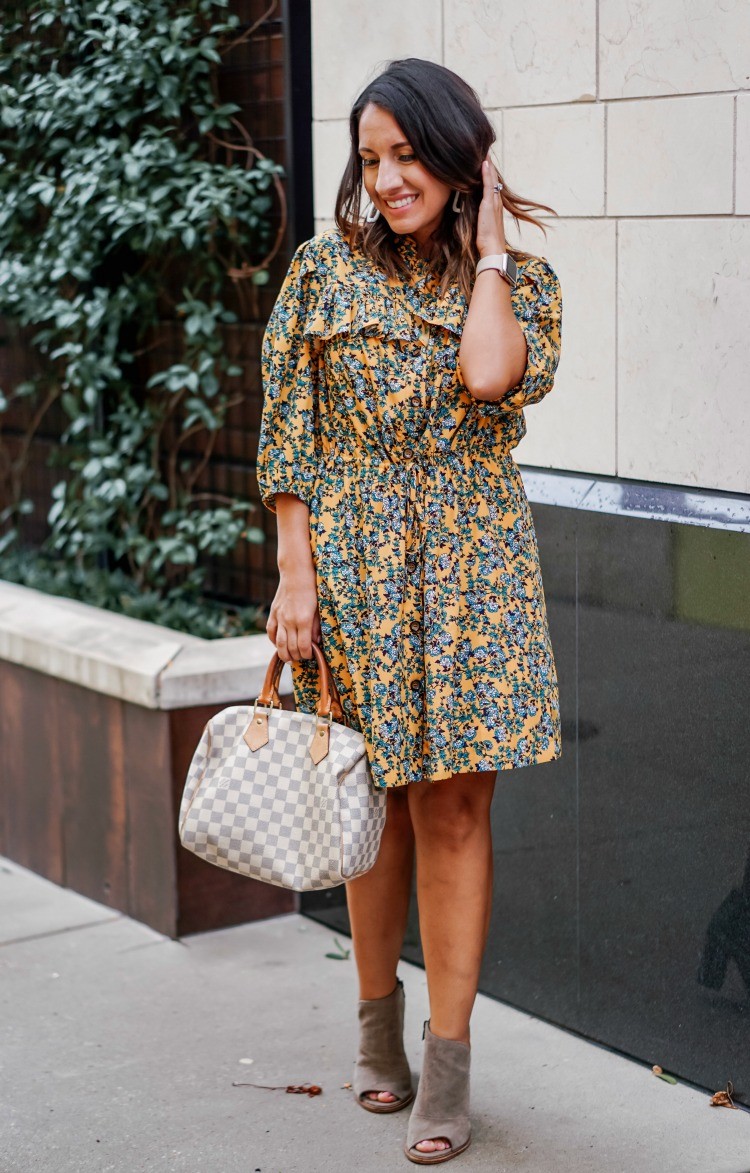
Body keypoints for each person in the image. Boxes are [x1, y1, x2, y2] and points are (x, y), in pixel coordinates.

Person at [256, 56, 563, 1166]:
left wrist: (485, 250)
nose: (385, 177)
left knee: (457, 812)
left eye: (406, 154)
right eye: (369, 157)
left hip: (476, 575)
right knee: (368, 802)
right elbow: (288, 434)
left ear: (457, 153)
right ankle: (375, 1028)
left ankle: (447, 1062)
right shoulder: (322, 270)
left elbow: (488, 378)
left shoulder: (520, 284)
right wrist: (296, 577)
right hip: (352, 568)